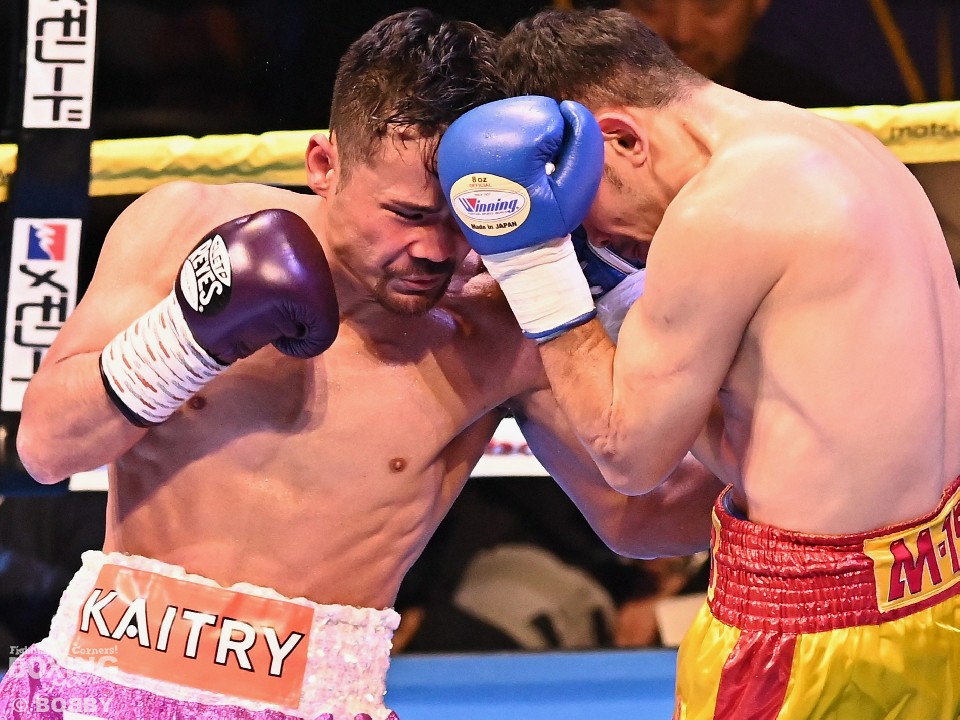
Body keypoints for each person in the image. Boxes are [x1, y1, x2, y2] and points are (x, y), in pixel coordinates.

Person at [0, 8, 723, 720]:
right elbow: (45, 449)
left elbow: (641, 517)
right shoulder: (182, 227)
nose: (437, 251)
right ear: (324, 165)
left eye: (464, 219)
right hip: (99, 683)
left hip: (317, 702)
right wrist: (183, 339)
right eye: (408, 214)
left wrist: (776, 459)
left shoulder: (504, 324)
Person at [436, 7, 960, 719]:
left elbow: (628, 457)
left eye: (583, 211)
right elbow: (783, 414)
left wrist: (537, 269)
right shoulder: (846, 147)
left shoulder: (719, 210)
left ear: (621, 139)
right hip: (936, 595)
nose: (598, 239)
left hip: (805, 638)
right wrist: (613, 297)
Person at [614, 0, 854, 108]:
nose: (683, 33)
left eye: (712, 4)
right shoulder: (594, 114)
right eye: (651, 3)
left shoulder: (811, 114)